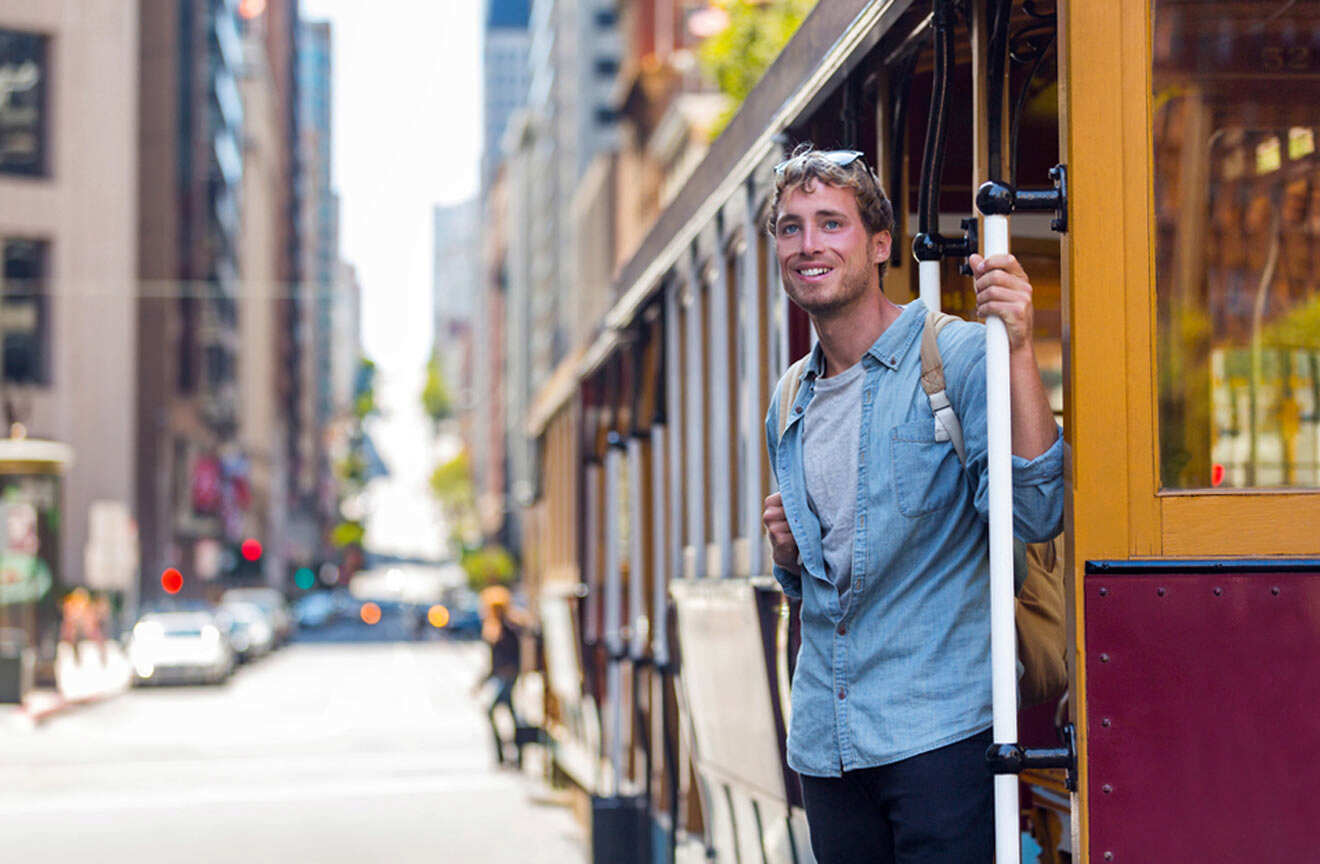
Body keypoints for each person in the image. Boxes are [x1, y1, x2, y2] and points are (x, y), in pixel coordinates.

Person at [760, 145, 1064, 863]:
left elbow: (1035, 512)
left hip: (940, 737)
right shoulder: (787, 399)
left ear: (879, 245)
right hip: (827, 748)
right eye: (791, 227)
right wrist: (790, 558)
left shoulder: (952, 356)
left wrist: (1018, 348)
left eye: (831, 224)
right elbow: (823, 585)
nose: (809, 245)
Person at [473, 586, 525, 767]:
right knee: (510, 713)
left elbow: (512, 656)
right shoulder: (495, 628)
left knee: (494, 711)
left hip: (508, 677)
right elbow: (492, 662)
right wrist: (482, 681)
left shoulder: (509, 628)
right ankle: (513, 754)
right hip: (502, 677)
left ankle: (506, 754)